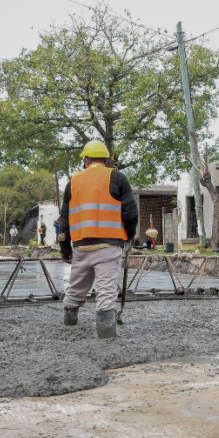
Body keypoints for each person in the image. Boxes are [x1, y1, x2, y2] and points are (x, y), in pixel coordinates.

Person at [58, 139, 138, 338]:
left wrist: (65, 248)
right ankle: (106, 333)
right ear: (106, 160)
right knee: (105, 289)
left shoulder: (73, 182)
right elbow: (130, 212)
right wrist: (129, 236)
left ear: (86, 160)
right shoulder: (117, 178)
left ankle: (69, 323)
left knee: (76, 286)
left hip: (81, 246)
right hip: (108, 245)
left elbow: (64, 220)